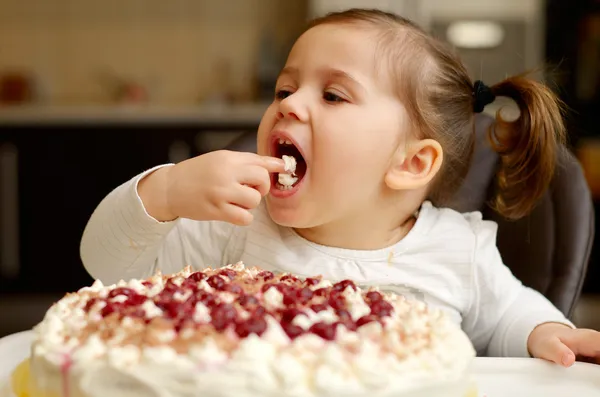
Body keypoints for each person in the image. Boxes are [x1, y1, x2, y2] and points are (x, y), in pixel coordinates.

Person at [80, 9, 600, 366]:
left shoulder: (457, 251)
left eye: (332, 95)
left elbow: (510, 315)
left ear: (412, 162)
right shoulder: (234, 226)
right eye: (285, 88)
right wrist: (166, 193)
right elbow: (103, 265)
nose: (289, 104)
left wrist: (545, 334)